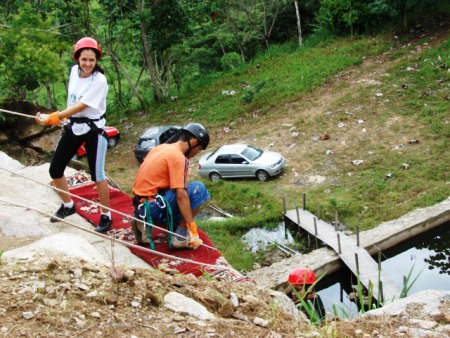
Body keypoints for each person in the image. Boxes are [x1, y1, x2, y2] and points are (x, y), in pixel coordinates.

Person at [35, 37, 112, 233]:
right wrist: (59, 118)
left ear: (97, 61)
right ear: (77, 58)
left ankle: (106, 215)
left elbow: (83, 105)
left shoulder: (100, 80)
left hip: (94, 129)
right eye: (84, 59)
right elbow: (73, 101)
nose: (87, 64)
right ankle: (68, 206)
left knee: (98, 174)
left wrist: (54, 116)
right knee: (55, 169)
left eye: (92, 60)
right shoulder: (73, 72)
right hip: (74, 126)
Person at [131, 123, 211, 250]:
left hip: (139, 205)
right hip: (154, 207)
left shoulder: (161, 148)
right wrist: (193, 229)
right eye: (199, 149)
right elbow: (181, 196)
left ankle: (143, 222)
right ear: (194, 141)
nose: (197, 153)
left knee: (179, 217)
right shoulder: (179, 157)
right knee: (198, 189)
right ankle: (180, 238)